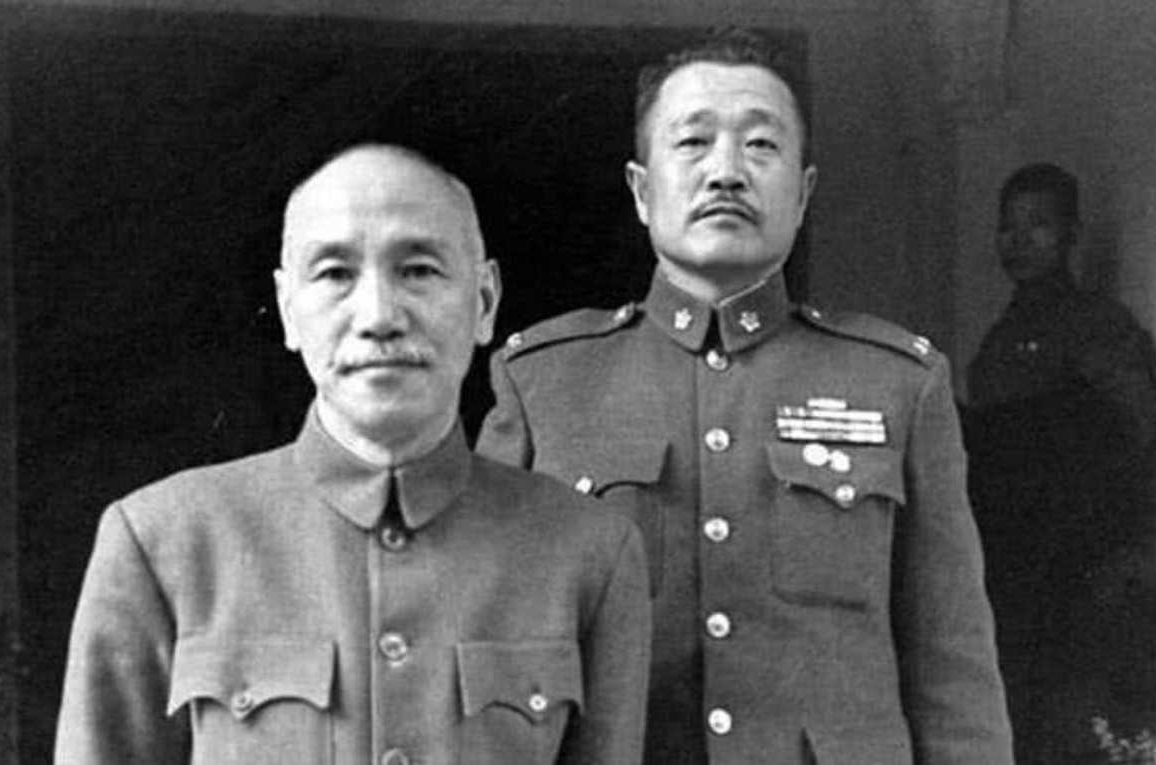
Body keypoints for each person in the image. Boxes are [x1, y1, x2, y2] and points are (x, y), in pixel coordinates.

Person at [477, 29, 1012, 765]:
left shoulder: (899, 386)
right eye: (692, 143)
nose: (725, 172)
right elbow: (485, 657)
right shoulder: (544, 383)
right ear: (641, 190)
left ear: (804, 192)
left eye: (760, 146)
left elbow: (953, 671)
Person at [55, 145, 650, 765]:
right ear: (287, 308)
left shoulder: (589, 553)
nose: (379, 317)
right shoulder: (162, 543)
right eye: (335, 274)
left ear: (484, 302)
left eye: (419, 270)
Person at [963, 162, 1156, 765]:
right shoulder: (999, 341)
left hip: (1083, 568)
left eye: (1038, 224)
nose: (1019, 241)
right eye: (1008, 227)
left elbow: (1129, 434)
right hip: (1016, 570)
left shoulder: (1096, 325)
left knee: (1077, 729)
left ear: (1072, 233)